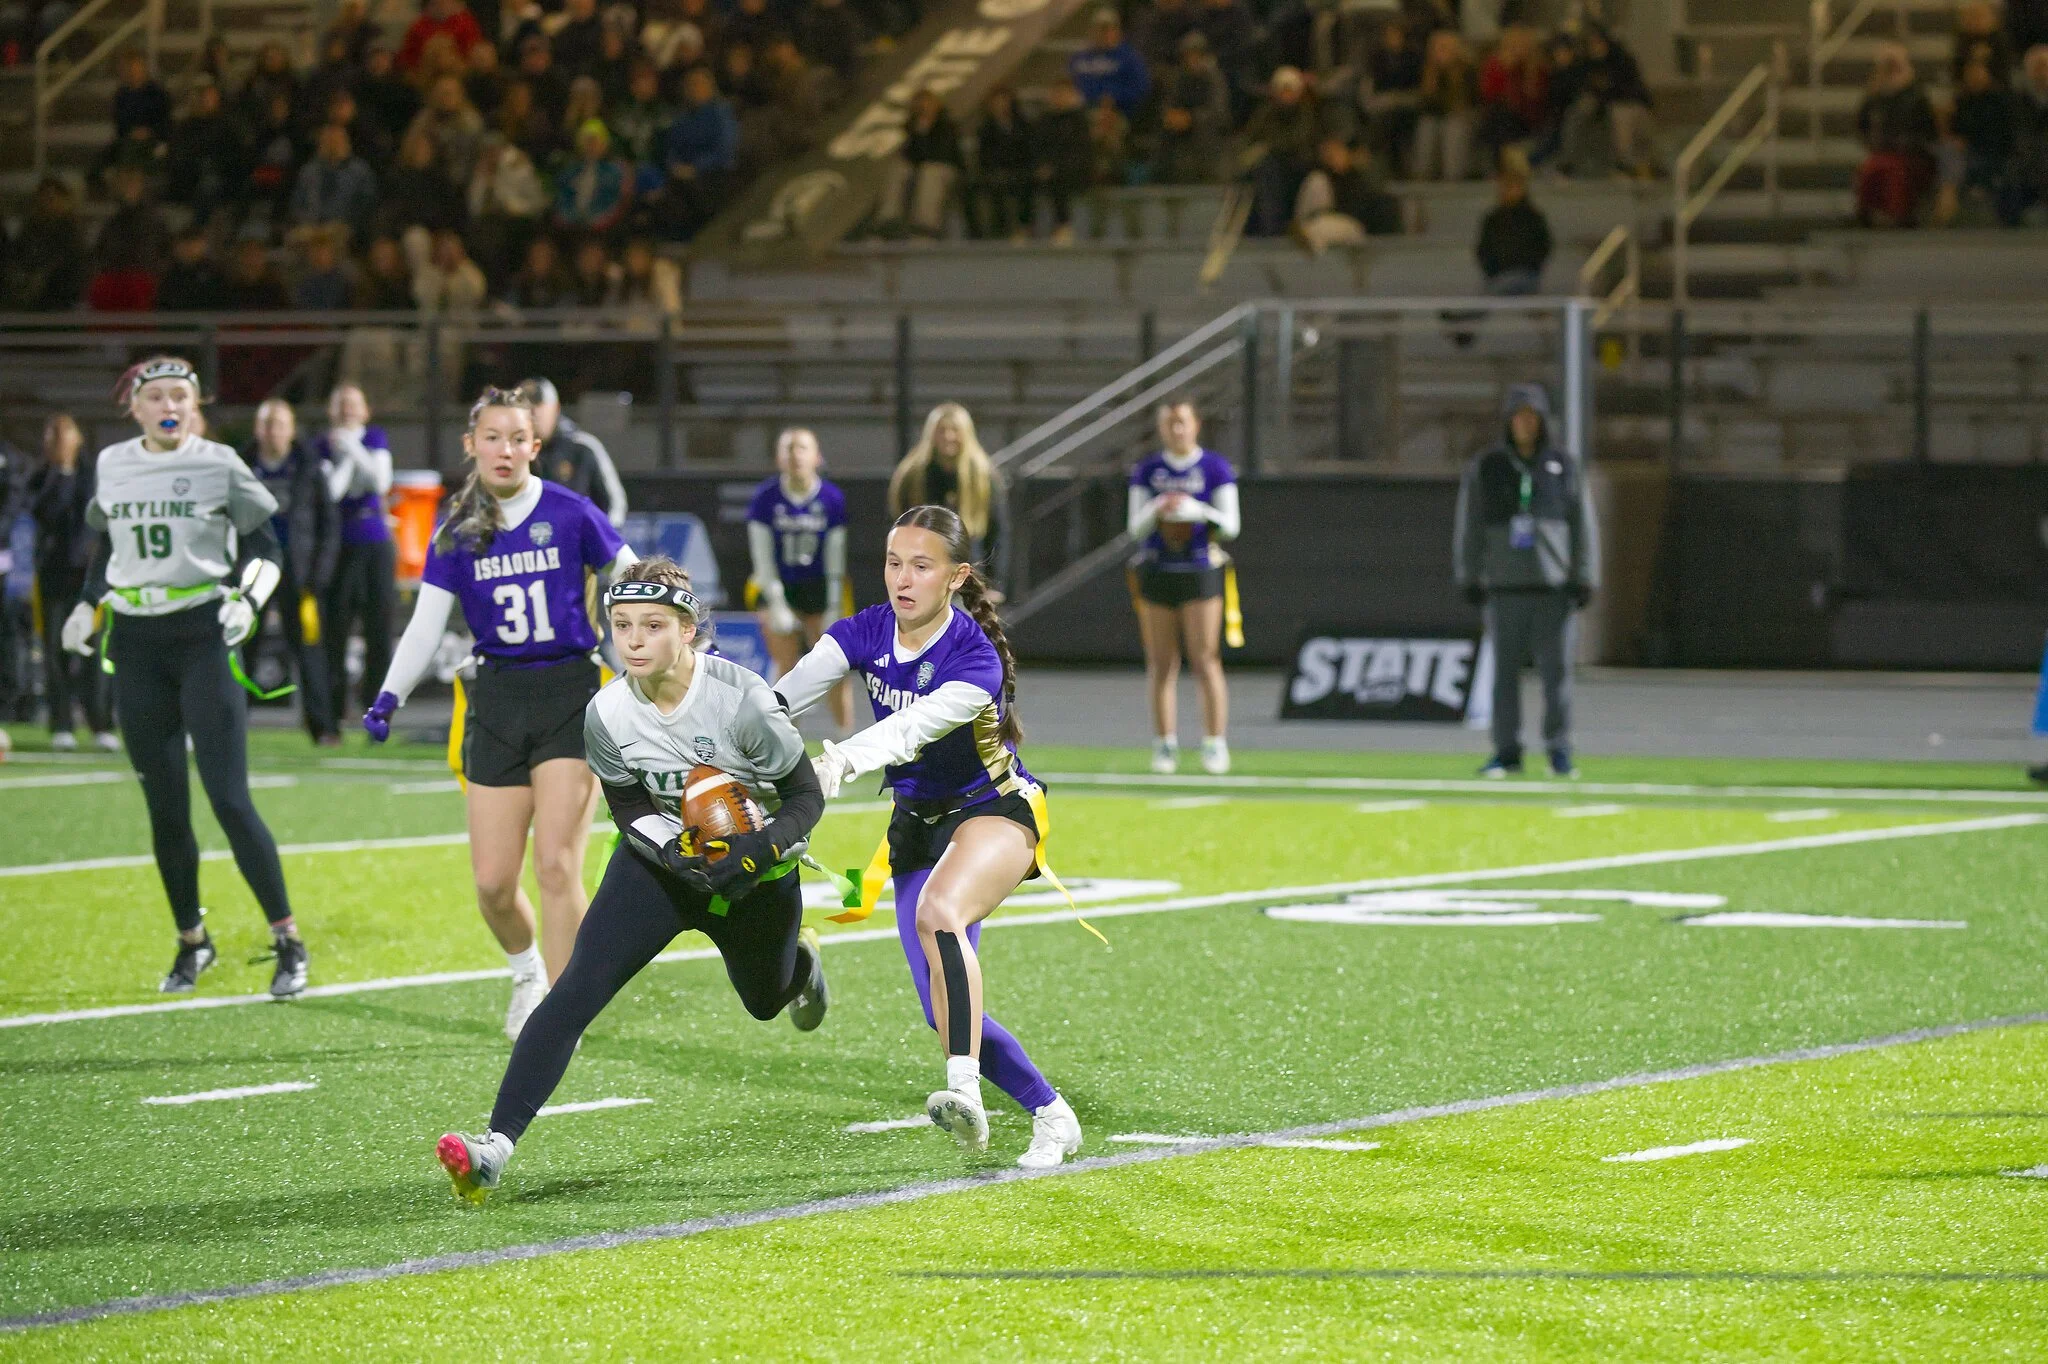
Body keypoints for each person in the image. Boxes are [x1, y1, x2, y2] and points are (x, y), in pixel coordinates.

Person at [435, 554, 829, 1203]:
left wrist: (754, 854)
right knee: (574, 990)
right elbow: (629, 807)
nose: (635, 640)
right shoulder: (606, 712)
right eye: (622, 625)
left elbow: (804, 797)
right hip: (661, 869)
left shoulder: (744, 700)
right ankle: (493, 1150)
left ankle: (801, 971)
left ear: (689, 630)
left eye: (651, 625)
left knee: (764, 1001)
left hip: (754, 875)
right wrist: (675, 853)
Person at [774, 505, 1084, 1168]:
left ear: (956, 576)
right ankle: (1052, 1115)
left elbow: (906, 731)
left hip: (993, 808)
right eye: (893, 562)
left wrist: (835, 761)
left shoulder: (975, 658)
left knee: (941, 914)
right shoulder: (865, 630)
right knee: (944, 1015)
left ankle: (963, 1091)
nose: (902, 578)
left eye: (921, 565)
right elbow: (784, 697)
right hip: (916, 824)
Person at [365, 387, 638, 1040]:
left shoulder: (572, 512)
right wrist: (389, 694)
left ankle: (564, 1017)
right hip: (496, 700)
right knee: (491, 884)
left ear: (534, 446)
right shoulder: (458, 528)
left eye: (518, 438)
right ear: (472, 446)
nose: (505, 450)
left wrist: (666, 645)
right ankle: (527, 973)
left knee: (555, 865)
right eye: (492, 437)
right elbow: (426, 626)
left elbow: (634, 577)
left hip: (571, 693)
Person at [56, 357, 308, 997]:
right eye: (158, 395)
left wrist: (247, 601)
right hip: (137, 643)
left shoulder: (219, 463)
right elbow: (108, 546)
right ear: (133, 407)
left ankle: (287, 940)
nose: (170, 404)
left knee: (227, 797)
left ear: (196, 406)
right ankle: (192, 941)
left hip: (202, 634)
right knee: (164, 805)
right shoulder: (112, 463)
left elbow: (268, 547)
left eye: (182, 395)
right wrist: (89, 602)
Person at [1453, 382, 1598, 779]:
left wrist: (1583, 576)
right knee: (1503, 679)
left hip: (1553, 590)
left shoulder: (1562, 465)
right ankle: (1506, 750)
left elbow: (1582, 523)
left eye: (1531, 417)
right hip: (1505, 589)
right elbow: (1471, 526)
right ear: (1508, 422)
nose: (1525, 424)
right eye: (1519, 416)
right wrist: (1469, 574)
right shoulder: (1488, 467)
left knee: (1557, 677)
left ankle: (1559, 749)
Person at [1128, 398, 1238, 777]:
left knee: (1205, 657)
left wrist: (1197, 511)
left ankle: (1214, 742)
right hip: (1159, 570)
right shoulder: (1149, 470)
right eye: (1170, 423)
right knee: (1161, 663)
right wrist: (1158, 508)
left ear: (1196, 424)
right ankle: (1165, 743)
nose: (1177, 430)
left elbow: (1231, 524)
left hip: (1200, 568)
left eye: (1182, 422)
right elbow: (1135, 529)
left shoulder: (1214, 467)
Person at [240, 399, 340, 743]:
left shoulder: (309, 467)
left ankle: (323, 727)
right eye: (267, 424)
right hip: (253, 573)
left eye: (280, 424)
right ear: (257, 429)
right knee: (242, 647)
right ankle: (231, 724)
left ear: (292, 429)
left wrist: (319, 574)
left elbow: (329, 523)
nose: (272, 432)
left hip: (299, 576)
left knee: (309, 649)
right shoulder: (242, 466)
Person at [748, 428, 852, 731]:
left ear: (817, 456)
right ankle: (783, 742)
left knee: (835, 667)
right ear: (779, 457)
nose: (795, 455)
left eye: (802, 448)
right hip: (778, 583)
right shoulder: (766, 498)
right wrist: (778, 602)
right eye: (788, 448)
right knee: (787, 668)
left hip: (821, 585)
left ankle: (846, 739)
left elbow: (836, 556)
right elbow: (762, 558)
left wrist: (833, 601)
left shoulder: (831, 498)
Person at [28, 414, 116, 752]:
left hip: (89, 578)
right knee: (54, 650)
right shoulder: (41, 478)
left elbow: (97, 524)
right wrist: (54, 476)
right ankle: (61, 723)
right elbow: (38, 513)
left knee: (93, 650)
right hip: (51, 575)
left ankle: (101, 723)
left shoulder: (93, 476)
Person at [316, 385, 396, 736]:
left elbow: (380, 482)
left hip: (375, 545)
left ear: (366, 410)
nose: (348, 410)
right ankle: (333, 714)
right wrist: (351, 456)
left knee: (379, 631)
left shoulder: (376, 437)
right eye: (341, 404)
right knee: (335, 631)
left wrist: (349, 447)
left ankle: (375, 711)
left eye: (354, 404)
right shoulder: (321, 445)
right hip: (338, 547)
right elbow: (332, 492)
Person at [888, 403, 1003, 591]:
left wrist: (995, 585)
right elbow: (897, 527)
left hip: (969, 579)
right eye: (941, 431)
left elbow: (997, 534)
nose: (948, 437)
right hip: (921, 577)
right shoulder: (914, 475)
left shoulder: (982, 476)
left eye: (955, 430)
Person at [524, 378, 629, 529]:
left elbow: (615, 504)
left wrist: (601, 539)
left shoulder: (582, 447)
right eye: (525, 407)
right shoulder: (510, 454)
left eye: (538, 406)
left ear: (556, 408)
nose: (531, 413)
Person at [1854, 41, 1938, 227]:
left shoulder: (1917, 97)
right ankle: (1866, 215)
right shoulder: (1875, 97)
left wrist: (1905, 143)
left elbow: (1928, 130)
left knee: (1895, 170)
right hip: (1885, 152)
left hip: (1913, 153)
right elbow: (1862, 125)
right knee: (1870, 168)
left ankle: (1899, 215)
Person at [1293, 136, 1403, 251]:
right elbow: (1312, 217)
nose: (1332, 154)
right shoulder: (1318, 178)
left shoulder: (1361, 180)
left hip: (1354, 232)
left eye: (1337, 149)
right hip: (1321, 226)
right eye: (1328, 150)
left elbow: (1361, 210)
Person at [1476, 163, 1551, 294]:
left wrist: (1529, 265)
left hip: (1526, 274)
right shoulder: (1492, 219)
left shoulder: (1533, 218)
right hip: (1497, 275)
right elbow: (1483, 249)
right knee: (1499, 286)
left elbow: (1543, 245)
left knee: (1503, 286)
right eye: (1504, 186)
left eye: (1512, 186)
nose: (1507, 190)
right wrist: (1493, 270)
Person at [1069, 8, 1150, 120]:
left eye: (1109, 29)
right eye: (1100, 29)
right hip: (1081, 111)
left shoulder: (1129, 58)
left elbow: (1139, 88)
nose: (1104, 34)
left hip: (1117, 113)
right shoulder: (1079, 58)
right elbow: (1070, 84)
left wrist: (1114, 97)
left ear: (1118, 31)